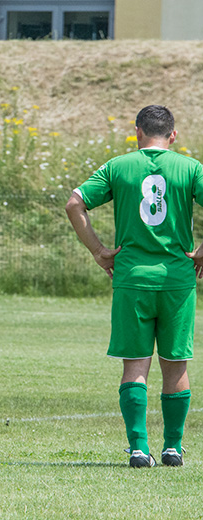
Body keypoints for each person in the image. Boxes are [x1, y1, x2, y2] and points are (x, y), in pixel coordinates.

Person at [66, 105, 201, 468]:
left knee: (135, 367)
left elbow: (74, 204)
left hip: (132, 280)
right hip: (177, 281)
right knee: (175, 366)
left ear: (137, 132)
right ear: (173, 135)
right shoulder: (190, 168)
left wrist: (99, 251)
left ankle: (139, 449)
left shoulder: (117, 166)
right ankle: (173, 448)